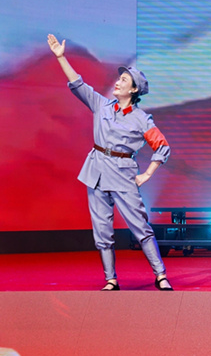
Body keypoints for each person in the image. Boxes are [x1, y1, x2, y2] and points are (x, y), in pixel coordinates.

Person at [47, 34, 173, 291]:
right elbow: (78, 84)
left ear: (134, 90)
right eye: (119, 78)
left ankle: (160, 275)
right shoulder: (102, 105)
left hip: (123, 174)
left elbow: (162, 146)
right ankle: (111, 279)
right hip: (96, 171)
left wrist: (147, 174)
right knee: (102, 230)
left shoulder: (142, 119)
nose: (118, 82)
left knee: (141, 227)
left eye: (124, 80)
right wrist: (61, 57)